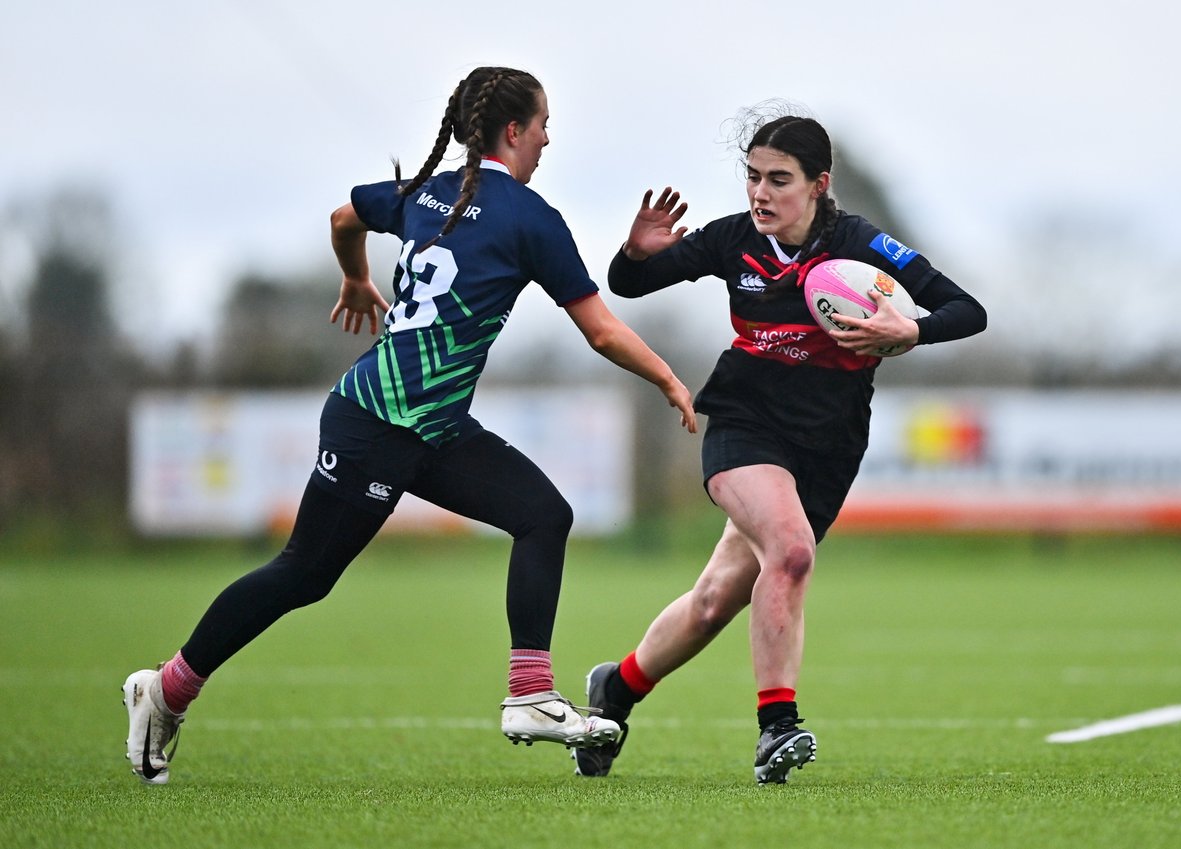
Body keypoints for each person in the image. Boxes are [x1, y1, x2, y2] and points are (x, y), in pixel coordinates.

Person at [122, 66, 697, 785]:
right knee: (305, 572)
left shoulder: (427, 194)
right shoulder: (530, 218)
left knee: (543, 515)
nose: (550, 138)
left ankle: (530, 693)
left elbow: (342, 219)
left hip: (431, 426)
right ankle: (165, 689)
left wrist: (355, 277)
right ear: (513, 131)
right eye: (544, 123)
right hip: (377, 423)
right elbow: (604, 333)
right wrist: (671, 378)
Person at [573, 106, 987, 784]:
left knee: (715, 600)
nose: (761, 193)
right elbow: (628, 283)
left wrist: (910, 329)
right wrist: (636, 251)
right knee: (790, 552)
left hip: (828, 442)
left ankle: (614, 690)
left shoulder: (861, 245)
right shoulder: (732, 240)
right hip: (745, 421)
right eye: (753, 176)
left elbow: (967, 309)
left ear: (819, 183)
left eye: (780, 179)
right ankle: (777, 728)